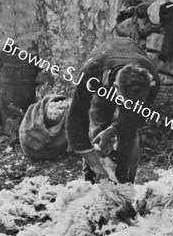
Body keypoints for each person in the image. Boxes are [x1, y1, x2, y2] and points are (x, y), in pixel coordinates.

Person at [65, 36, 160, 184]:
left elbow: (138, 117)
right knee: (98, 121)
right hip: (103, 67)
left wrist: (113, 130)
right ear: (115, 87)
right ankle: (93, 179)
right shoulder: (91, 73)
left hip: (128, 56)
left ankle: (125, 184)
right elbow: (76, 120)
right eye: (125, 101)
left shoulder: (151, 78)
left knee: (129, 134)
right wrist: (95, 164)